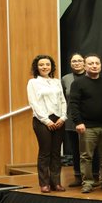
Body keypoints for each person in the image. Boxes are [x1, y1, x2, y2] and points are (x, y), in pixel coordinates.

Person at [68, 54, 102, 192]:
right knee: (86, 156)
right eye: (91, 63)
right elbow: (73, 104)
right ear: (85, 66)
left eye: (97, 63)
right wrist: (78, 122)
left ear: (100, 65)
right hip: (87, 127)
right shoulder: (78, 83)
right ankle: (87, 183)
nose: (94, 66)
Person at [27, 54, 66, 192]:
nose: (45, 67)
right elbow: (34, 103)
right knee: (45, 152)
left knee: (56, 152)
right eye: (41, 65)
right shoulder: (33, 83)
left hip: (59, 120)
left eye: (47, 64)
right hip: (42, 121)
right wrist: (46, 120)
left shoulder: (56, 81)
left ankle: (56, 182)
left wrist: (63, 117)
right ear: (37, 67)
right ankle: (44, 183)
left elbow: (63, 100)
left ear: (52, 67)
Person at [62, 53, 85, 187]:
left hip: (88, 119)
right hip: (71, 120)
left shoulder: (90, 76)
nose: (76, 63)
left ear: (84, 63)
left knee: (89, 150)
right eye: (74, 61)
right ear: (71, 64)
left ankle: (93, 175)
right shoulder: (65, 79)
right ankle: (77, 176)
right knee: (75, 150)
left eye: (79, 61)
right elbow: (63, 99)